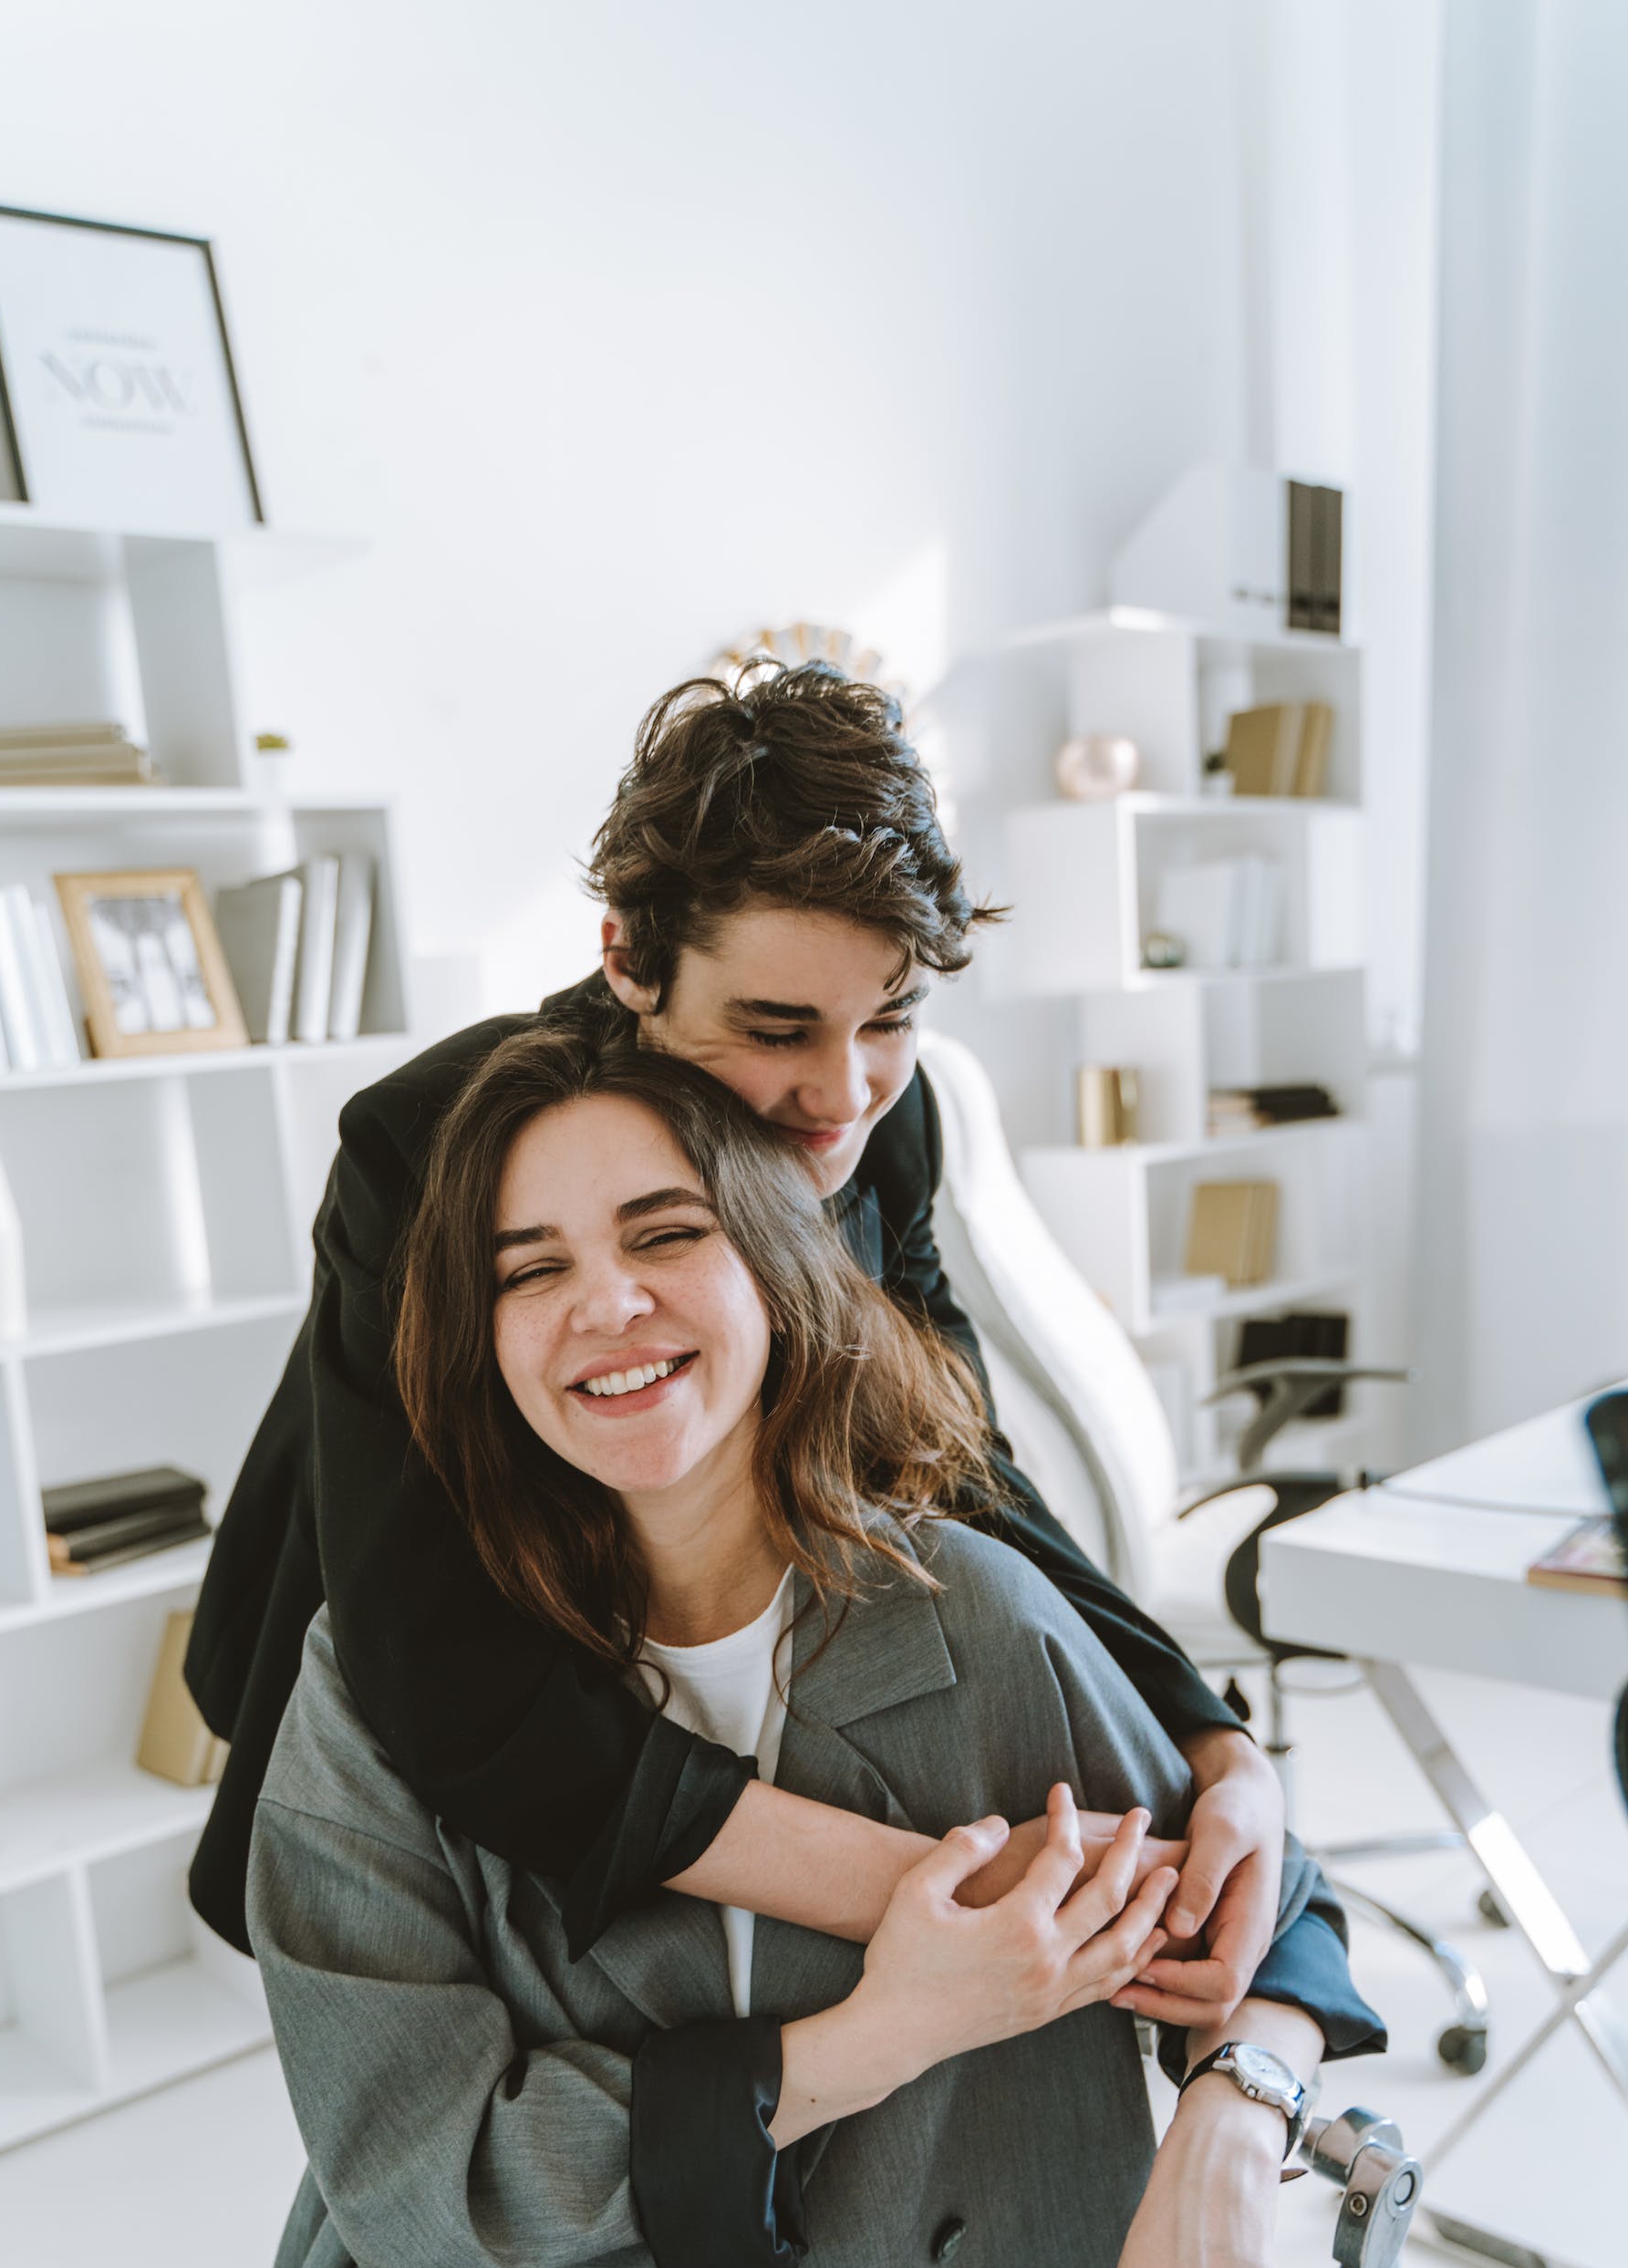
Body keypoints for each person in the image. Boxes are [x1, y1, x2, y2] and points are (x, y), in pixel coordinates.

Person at [193, 1030, 1383, 2268]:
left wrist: (1228, 2151)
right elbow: (430, 2172)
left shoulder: (978, 1621)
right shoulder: (386, 1692)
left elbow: (1267, 1910)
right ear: (477, 1341)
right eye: (528, 1270)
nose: (606, 1305)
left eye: (667, 1235)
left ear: (778, 1263)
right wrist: (878, 2034)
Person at [184, 663, 1289, 2041]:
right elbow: (443, 1681)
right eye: (777, 1031)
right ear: (630, 965)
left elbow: (956, 1458)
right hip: (425, 1682)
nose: (841, 1098)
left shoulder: (888, 1122)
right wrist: (953, 1897)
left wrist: (1214, 1741)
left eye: (889, 1020)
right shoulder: (430, 1151)